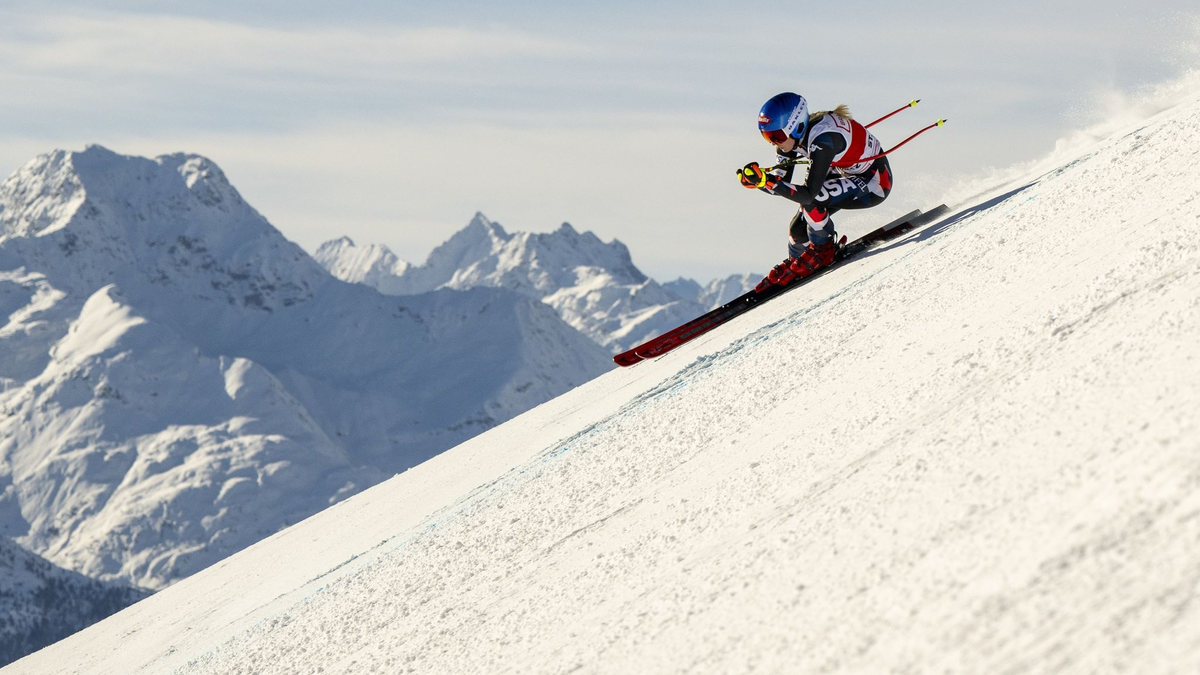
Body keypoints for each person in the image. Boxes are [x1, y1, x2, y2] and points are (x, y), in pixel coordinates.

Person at [740, 92, 893, 292]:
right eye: (767, 136)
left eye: (776, 136)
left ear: (796, 126)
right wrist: (759, 182)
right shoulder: (790, 139)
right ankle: (797, 262)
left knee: (813, 201)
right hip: (845, 172)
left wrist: (767, 182)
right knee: (797, 229)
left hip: (874, 181)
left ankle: (823, 250)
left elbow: (808, 195)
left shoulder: (824, 139)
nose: (773, 143)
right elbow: (781, 181)